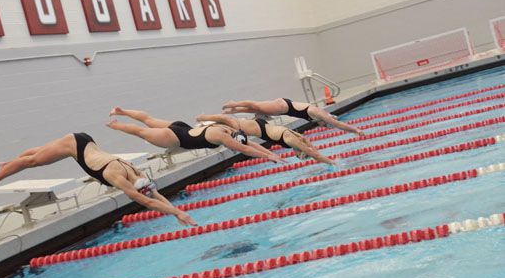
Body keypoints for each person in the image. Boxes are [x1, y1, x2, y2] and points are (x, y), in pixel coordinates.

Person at [0, 133, 196, 226]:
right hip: (77, 146)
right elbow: (148, 202)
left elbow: (154, 195)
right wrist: (178, 213)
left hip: (85, 141)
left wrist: (177, 212)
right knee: (33, 161)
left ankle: (5, 166)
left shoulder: (138, 174)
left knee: (39, 153)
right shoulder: (117, 176)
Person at [106, 107, 286, 164]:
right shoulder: (224, 137)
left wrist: (270, 154)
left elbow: (249, 145)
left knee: (148, 119)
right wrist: (269, 156)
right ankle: (116, 126)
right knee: (141, 132)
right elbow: (244, 148)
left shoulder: (226, 128)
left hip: (183, 127)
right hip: (175, 137)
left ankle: (121, 112)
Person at [196, 113, 337, 165]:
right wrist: (332, 162)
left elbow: (310, 147)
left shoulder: (296, 139)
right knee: (228, 123)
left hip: (262, 127)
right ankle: (204, 119)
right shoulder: (292, 141)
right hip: (259, 128)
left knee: (234, 134)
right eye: (298, 155)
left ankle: (207, 123)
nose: (295, 154)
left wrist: (270, 155)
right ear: (300, 152)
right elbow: (315, 154)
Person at [222, 98, 365, 137]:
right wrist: (355, 130)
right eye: (325, 124)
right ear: (327, 118)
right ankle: (234, 103)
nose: (323, 125)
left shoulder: (317, 117)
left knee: (254, 109)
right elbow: (338, 124)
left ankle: (232, 110)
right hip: (283, 106)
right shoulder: (319, 113)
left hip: (283, 110)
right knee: (257, 106)